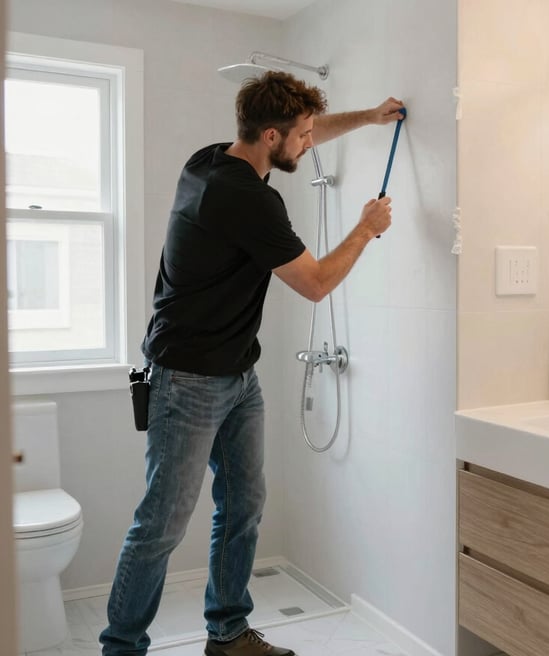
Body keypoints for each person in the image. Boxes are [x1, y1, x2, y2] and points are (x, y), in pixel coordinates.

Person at [99, 71, 404, 656]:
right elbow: (315, 284)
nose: (310, 142)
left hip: (237, 375)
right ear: (271, 135)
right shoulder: (246, 199)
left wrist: (366, 117)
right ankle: (121, 647)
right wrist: (365, 229)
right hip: (186, 377)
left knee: (243, 503)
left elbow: (302, 132)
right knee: (160, 524)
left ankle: (228, 634)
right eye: (303, 135)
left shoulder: (212, 159)